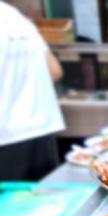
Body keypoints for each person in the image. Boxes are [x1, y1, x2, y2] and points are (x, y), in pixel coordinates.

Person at [0, 1, 65, 181]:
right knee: (45, 196)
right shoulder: (14, 17)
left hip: (6, 138)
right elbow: (54, 71)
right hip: (41, 132)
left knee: (10, 200)